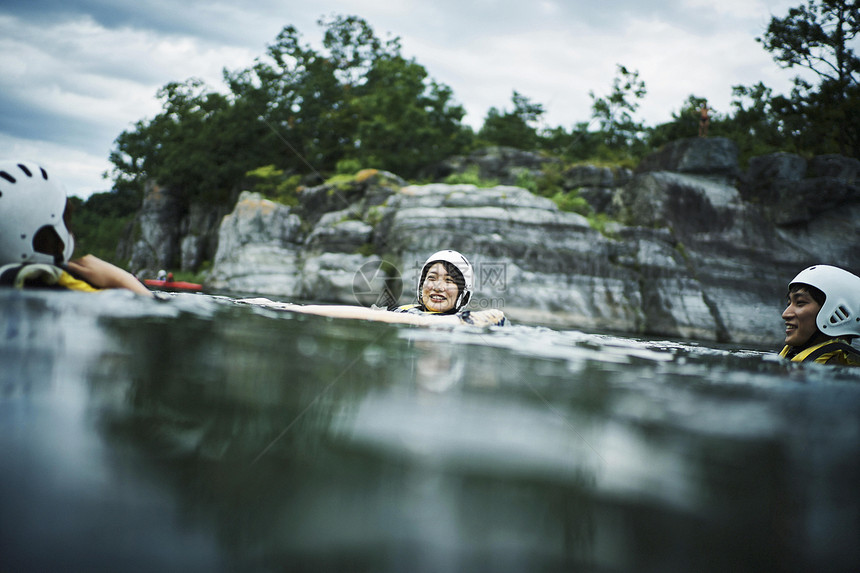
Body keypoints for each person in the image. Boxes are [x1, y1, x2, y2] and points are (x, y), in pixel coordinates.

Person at [0, 159, 152, 296]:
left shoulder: (10, 280)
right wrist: (121, 279)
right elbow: (151, 314)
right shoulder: (59, 287)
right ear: (52, 230)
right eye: (67, 222)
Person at [779, 264, 860, 366]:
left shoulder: (836, 368)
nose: (785, 314)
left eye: (800, 303)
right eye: (789, 303)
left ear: (841, 315)